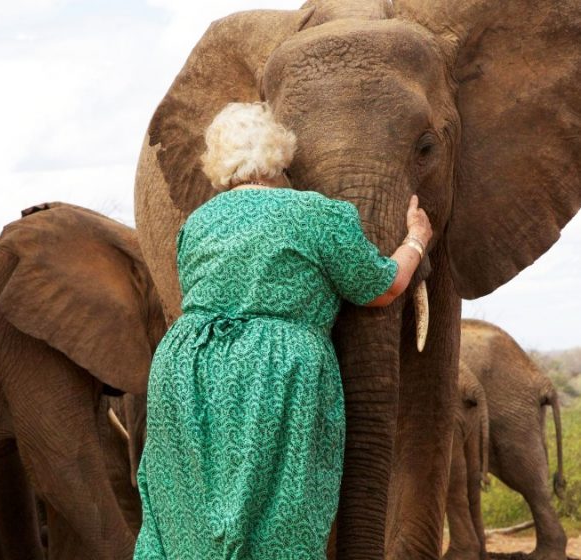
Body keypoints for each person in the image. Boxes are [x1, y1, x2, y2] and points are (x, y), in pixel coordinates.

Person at [133, 101, 432, 559]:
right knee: (281, 519)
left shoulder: (196, 224)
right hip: (275, 371)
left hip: (186, 371)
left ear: (219, 166)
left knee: (186, 518)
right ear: (281, 155)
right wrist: (415, 240)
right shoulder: (315, 214)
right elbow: (381, 287)